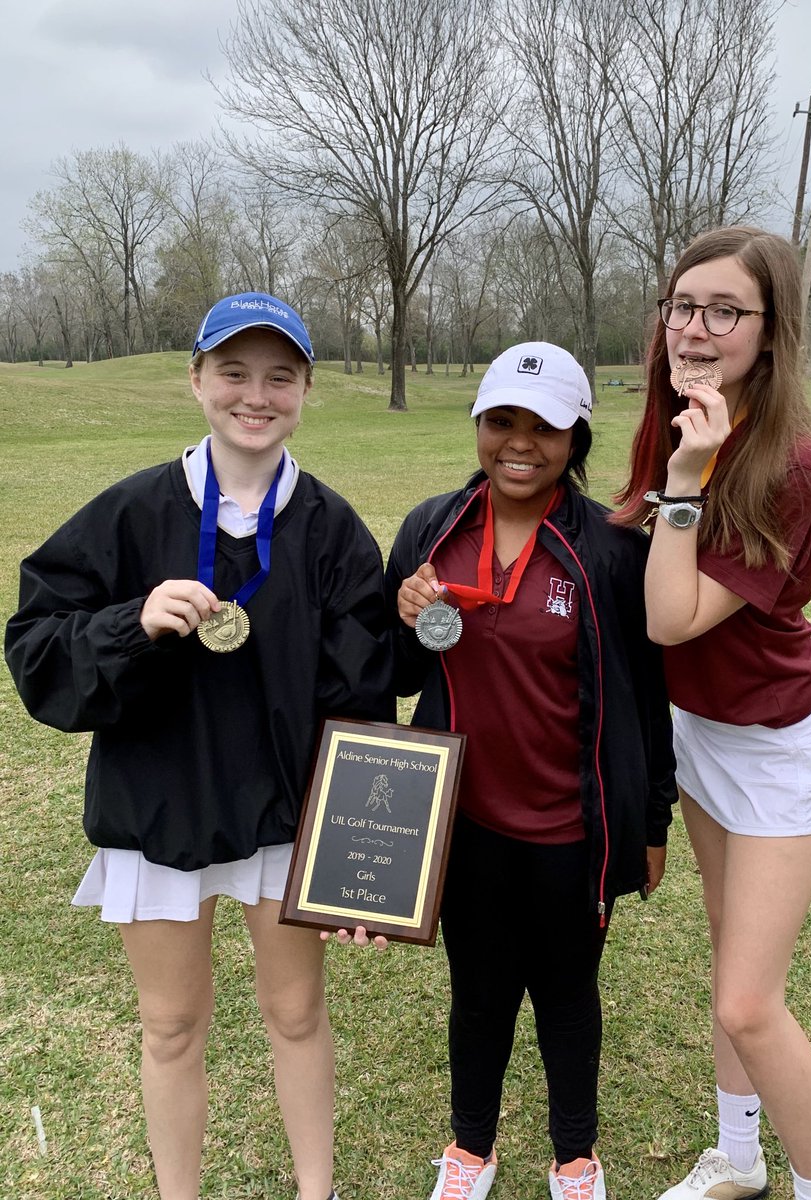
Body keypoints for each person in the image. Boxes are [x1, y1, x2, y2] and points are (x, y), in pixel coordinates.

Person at [4, 292, 394, 1200]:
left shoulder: (331, 530)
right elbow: (34, 650)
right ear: (195, 380)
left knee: (296, 1013)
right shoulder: (132, 511)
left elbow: (364, 697)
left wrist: (361, 862)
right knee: (171, 1025)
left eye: (279, 377)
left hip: (281, 822)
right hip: (161, 807)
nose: (255, 396)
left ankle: (315, 1190)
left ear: (304, 391)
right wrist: (129, 624)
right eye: (233, 373)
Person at [614, 227, 811, 1200]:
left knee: (748, 1000)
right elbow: (624, 548)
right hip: (700, 736)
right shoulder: (680, 416)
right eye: (682, 305)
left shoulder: (792, 459)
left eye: (725, 311)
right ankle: (738, 1159)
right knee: (730, 959)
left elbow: (671, 616)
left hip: (781, 748)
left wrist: (685, 482)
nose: (695, 327)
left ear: (771, 331)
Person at [385, 342, 678, 1200]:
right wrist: (404, 614)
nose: (520, 442)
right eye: (501, 421)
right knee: (477, 998)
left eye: (545, 427)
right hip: (467, 825)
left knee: (567, 999)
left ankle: (575, 1157)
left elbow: (646, 699)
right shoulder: (432, 530)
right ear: (478, 425)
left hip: (569, 833)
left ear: (576, 437)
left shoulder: (614, 550)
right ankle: (469, 1150)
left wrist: (651, 822)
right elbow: (396, 678)